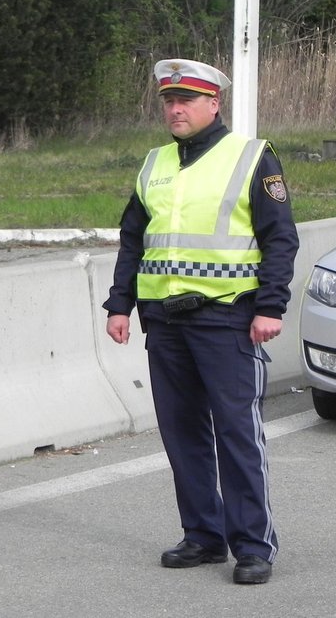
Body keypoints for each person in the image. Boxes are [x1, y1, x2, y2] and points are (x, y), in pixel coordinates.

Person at [103, 58, 299, 585]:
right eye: (169, 100)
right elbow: (133, 240)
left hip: (228, 317)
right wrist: (119, 304)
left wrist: (270, 306)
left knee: (237, 434)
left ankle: (253, 546)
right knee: (182, 432)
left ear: (214, 103)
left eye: (185, 100)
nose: (175, 108)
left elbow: (280, 238)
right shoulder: (154, 163)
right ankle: (203, 536)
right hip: (164, 321)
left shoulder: (252, 157)